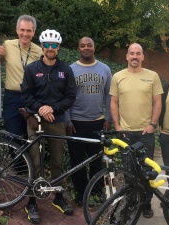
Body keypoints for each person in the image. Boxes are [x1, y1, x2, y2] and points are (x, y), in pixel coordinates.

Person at [21, 29, 77, 224]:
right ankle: (32, 201)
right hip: (35, 120)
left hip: (58, 120)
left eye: (54, 45)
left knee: (57, 162)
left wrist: (52, 108)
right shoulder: (31, 69)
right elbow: (26, 95)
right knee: (34, 161)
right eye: (47, 45)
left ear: (59, 47)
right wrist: (40, 109)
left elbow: (71, 97)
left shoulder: (66, 70)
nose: (51, 48)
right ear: (42, 46)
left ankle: (59, 197)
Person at [110, 43, 163, 218]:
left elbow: (157, 102)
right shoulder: (118, 76)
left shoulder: (152, 76)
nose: (134, 56)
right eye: (131, 53)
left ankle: (146, 203)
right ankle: (132, 202)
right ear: (127, 56)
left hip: (145, 134)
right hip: (125, 133)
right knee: (128, 171)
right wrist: (117, 127)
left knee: (146, 171)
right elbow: (114, 102)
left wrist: (152, 125)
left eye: (137, 53)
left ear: (142, 57)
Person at [65, 37, 112, 206]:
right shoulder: (71, 69)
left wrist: (108, 118)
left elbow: (109, 95)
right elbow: (67, 97)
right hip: (75, 123)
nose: (86, 48)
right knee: (77, 161)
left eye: (89, 45)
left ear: (94, 47)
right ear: (78, 48)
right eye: (82, 45)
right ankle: (80, 194)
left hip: (97, 122)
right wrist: (67, 121)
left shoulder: (105, 69)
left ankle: (97, 192)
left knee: (96, 160)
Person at [0, 15, 42, 137]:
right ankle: (16, 156)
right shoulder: (8, 45)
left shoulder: (39, 51)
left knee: (30, 136)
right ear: (17, 30)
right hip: (12, 97)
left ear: (34, 32)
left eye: (29, 31)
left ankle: (28, 157)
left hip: (32, 97)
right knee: (12, 135)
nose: (25, 34)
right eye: (22, 30)